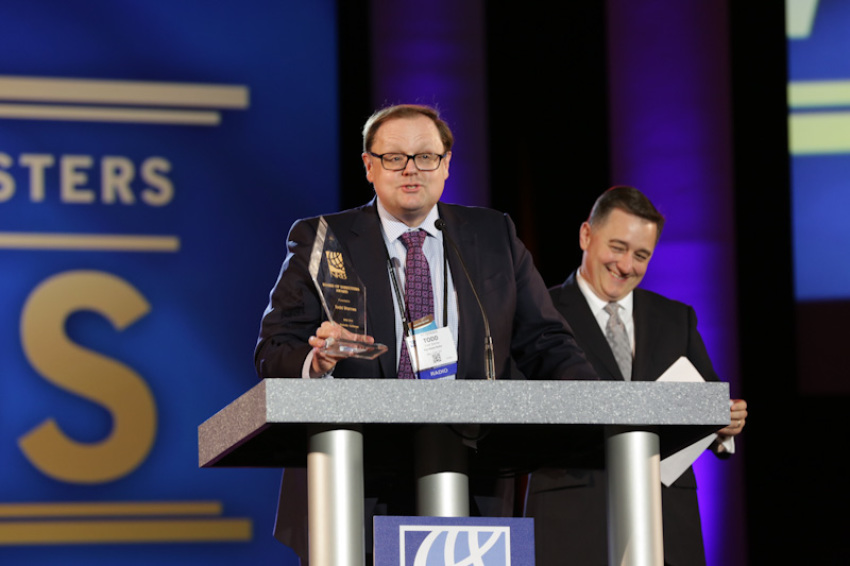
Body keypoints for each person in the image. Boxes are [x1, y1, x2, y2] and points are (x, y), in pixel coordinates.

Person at [254, 103, 598, 561]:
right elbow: (273, 349)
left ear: (446, 163)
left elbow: (545, 341)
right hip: (353, 476)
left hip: (473, 470)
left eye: (426, 156)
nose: (411, 169)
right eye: (394, 157)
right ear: (369, 166)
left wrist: (597, 404)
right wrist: (315, 362)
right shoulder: (322, 239)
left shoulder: (492, 235)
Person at [524, 186, 748, 566]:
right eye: (618, 247)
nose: (627, 265)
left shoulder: (676, 318)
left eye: (641, 255)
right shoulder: (540, 313)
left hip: (666, 524)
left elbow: (708, 400)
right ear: (586, 235)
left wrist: (723, 424)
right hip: (574, 517)